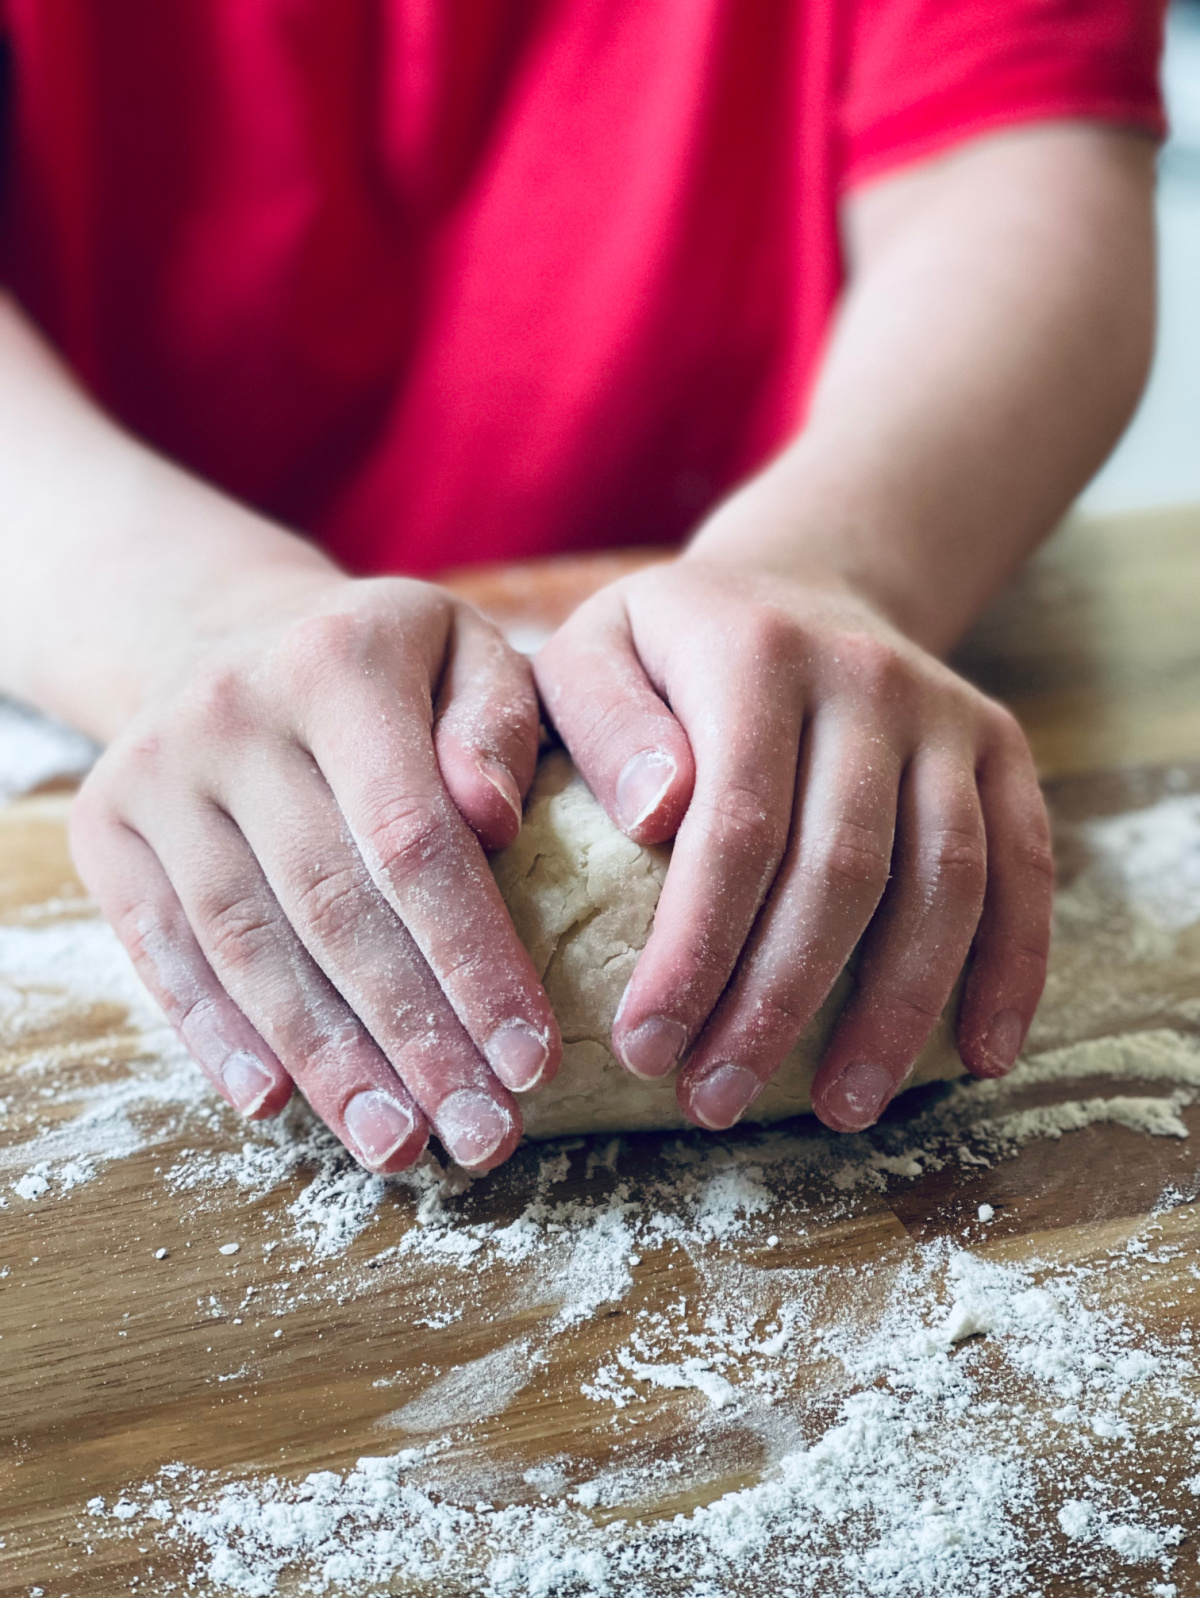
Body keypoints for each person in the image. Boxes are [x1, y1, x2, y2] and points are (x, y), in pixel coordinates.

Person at [0, 2, 1165, 1175]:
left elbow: (1017, 177)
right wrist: (193, 617)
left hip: (838, 586)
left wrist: (834, 561)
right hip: (105, 595)